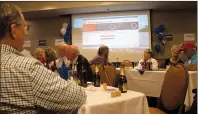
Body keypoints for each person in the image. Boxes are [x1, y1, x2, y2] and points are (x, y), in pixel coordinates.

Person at [0, 3, 86, 113]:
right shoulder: (28, 68)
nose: (26, 33)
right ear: (14, 31)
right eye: (25, 27)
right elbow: (77, 96)